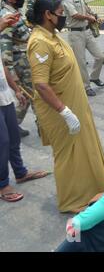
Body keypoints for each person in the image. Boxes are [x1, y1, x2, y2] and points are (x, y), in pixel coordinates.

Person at [27, 0, 104, 213]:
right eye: (60, 12)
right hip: (59, 110)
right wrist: (64, 111)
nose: (63, 15)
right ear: (48, 15)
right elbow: (41, 84)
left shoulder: (52, 35)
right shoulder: (40, 42)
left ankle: (93, 183)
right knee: (67, 155)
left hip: (73, 104)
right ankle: (72, 200)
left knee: (84, 146)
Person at [0, 14, 48, 203]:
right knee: (2, 142)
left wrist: (15, 88)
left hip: (4, 96)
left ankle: (20, 172)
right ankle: (3, 184)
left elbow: (2, 65)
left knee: (13, 137)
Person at [62, 0, 104, 97]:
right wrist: (89, 18)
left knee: (99, 56)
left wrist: (94, 15)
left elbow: (86, 9)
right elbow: (74, 14)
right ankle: (86, 86)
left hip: (87, 31)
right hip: (75, 33)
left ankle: (94, 77)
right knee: (81, 62)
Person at [0, 0, 34, 138]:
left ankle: (10, 125)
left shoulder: (15, 12)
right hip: (20, 63)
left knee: (26, 96)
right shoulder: (6, 17)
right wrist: (12, 75)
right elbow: (5, 49)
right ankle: (44, 127)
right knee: (34, 94)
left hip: (25, 59)